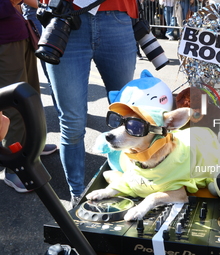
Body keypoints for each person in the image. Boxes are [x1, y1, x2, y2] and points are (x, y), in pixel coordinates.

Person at [40, 0, 138, 207]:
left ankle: (129, 185)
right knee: (72, 123)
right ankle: (77, 195)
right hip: (64, 18)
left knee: (127, 118)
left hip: (117, 16)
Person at [0, 0, 57, 193]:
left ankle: (32, 147)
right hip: (4, 39)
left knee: (30, 96)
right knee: (13, 106)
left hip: (18, 33)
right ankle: (14, 167)